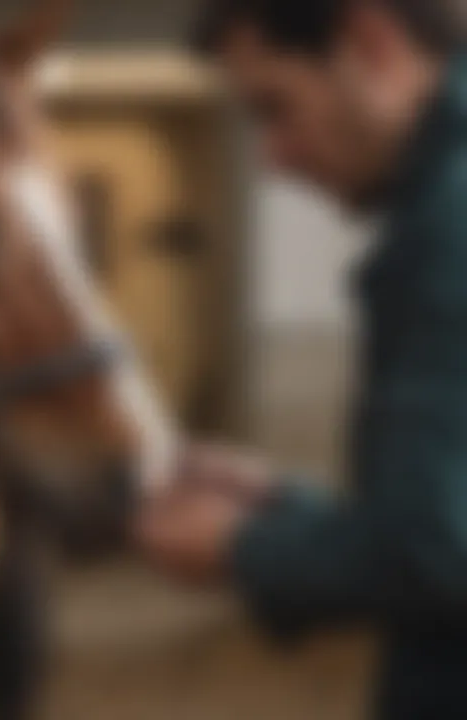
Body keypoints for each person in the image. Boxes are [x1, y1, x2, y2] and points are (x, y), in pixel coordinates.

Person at [136, 2, 467, 718]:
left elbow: (435, 559)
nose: (271, 159)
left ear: (373, 46)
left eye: (275, 108)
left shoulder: (448, 234)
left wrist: (243, 547)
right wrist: (289, 508)